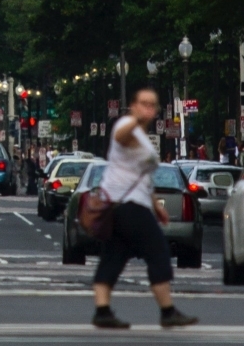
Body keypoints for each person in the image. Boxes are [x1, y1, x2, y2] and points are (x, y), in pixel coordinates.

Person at [91, 85, 197, 330]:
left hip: (130, 203)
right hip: (126, 205)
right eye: (144, 104)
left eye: (152, 105)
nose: (149, 109)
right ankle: (168, 311)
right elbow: (120, 137)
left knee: (113, 256)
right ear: (134, 106)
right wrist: (136, 119)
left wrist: (155, 205)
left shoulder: (142, 136)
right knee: (158, 251)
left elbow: (143, 177)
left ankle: (102, 310)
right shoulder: (125, 126)